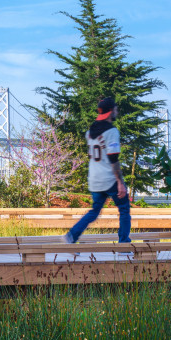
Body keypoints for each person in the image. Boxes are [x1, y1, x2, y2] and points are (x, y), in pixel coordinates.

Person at [65, 97, 131, 245]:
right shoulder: (112, 132)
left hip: (94, 179)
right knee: (124, 209)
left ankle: (72, 235)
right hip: (109, 179)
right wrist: (120, 182)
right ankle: (124, 243)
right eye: (115, 109)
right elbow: (113, 158)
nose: (117, 111)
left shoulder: (89, 133)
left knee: (94, 211)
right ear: (109, 112)